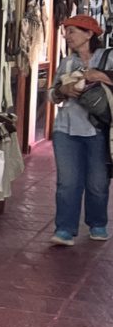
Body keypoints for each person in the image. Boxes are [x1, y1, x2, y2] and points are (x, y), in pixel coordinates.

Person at [49, 14, 112, 246]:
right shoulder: (67, 62)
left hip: (99, 129)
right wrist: (62, 91)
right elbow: (51, 95)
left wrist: (99, 75)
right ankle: (64, 229)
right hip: (65, 129)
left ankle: (97, 224)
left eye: (72, 31)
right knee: (67, 182)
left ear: (89, 34)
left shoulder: (108, 57)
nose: (67, 36)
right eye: (66, 32)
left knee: (98, 182)